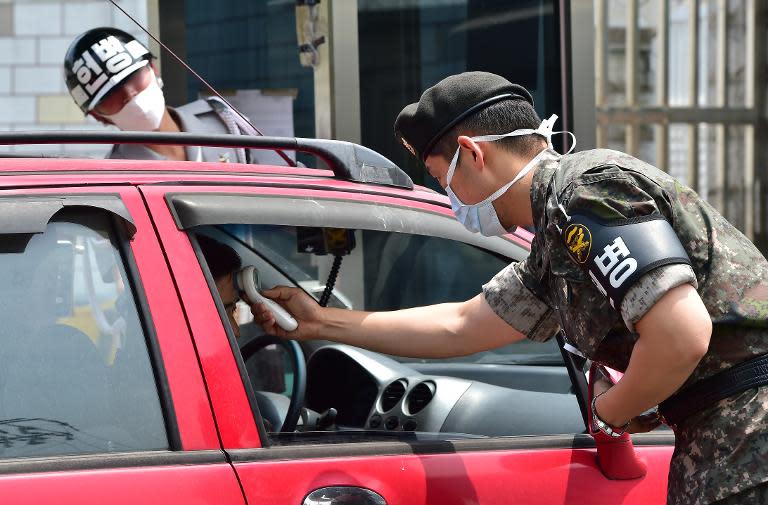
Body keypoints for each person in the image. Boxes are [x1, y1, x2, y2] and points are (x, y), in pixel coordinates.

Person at [251, 71, 768, 504]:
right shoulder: (556, 234)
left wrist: (610, 416)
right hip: (729, 442)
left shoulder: (586, 194)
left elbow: (681, 335)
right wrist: (321, 323)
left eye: (441, 180)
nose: (448, 197)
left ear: (472, 154)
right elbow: (463, 325)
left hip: (747, 443)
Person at [63, 27, 287, 165]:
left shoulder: (224, 122)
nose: (130, 94)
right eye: (111, 94)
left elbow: (288, 182)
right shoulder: (117, 177)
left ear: (154, 69)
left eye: (133, 77)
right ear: (98, 116)